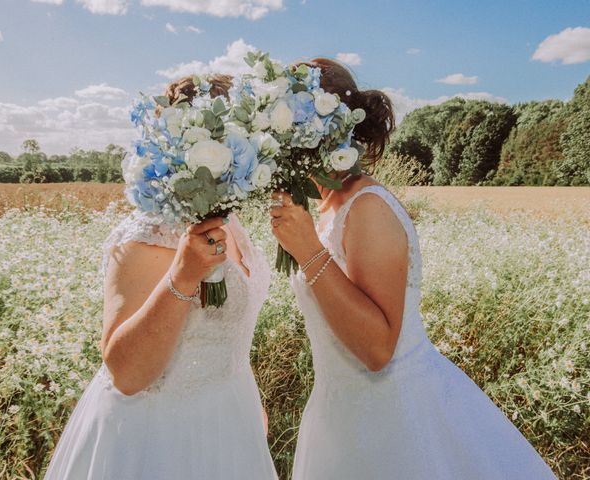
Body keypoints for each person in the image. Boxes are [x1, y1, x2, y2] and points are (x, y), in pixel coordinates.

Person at [269, 58, 556, 479]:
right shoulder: (330, 208)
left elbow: (378, 349)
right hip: (339, 413)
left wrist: (308, 249)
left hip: (392, 421)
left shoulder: (367, 208)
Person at [43, 74, 278, 480]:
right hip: (158, 437)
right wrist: (183, 277)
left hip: (228, 420)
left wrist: (247, 398)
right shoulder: (147, 234)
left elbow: (230, 327)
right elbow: (126, 373)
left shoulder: (227, 219)